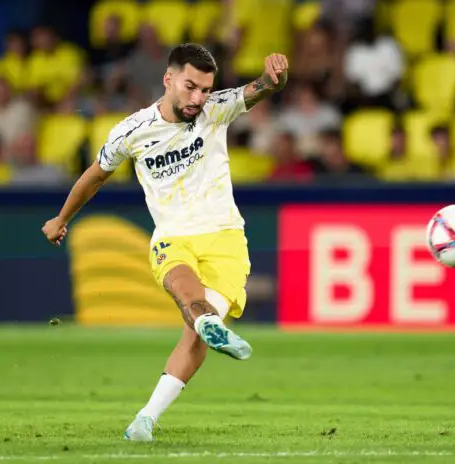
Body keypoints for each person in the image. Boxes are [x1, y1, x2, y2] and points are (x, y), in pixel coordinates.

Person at [40, 44, 289, 442]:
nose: (198, 98)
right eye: (190, 87)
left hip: (226, 239)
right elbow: (95, 175)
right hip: (173, 238)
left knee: (196, 335)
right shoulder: (133, 131)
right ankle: (208, 322)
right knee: (195, 305)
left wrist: (276, 78)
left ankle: (144, 422)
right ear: (168, 79)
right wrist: (62, 218)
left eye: (205, 90)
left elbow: (260, 88)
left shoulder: (217, 109)